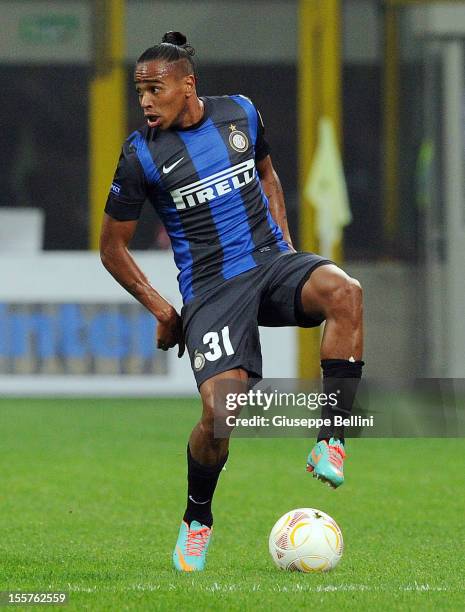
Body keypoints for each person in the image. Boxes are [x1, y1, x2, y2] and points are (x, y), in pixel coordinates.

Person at [100, 31, 364, 572]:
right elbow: (112, 247)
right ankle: (198, 518)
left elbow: (267, 174)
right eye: (139, 91)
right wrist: (162, 309)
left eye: (155, 89)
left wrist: (287, 246)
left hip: (269, 262)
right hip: (213, 289)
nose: (145, 101)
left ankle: (331, 439)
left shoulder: (241, 113)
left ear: (187, 84)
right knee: (222, 411)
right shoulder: (140, 155)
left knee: (345, 292)